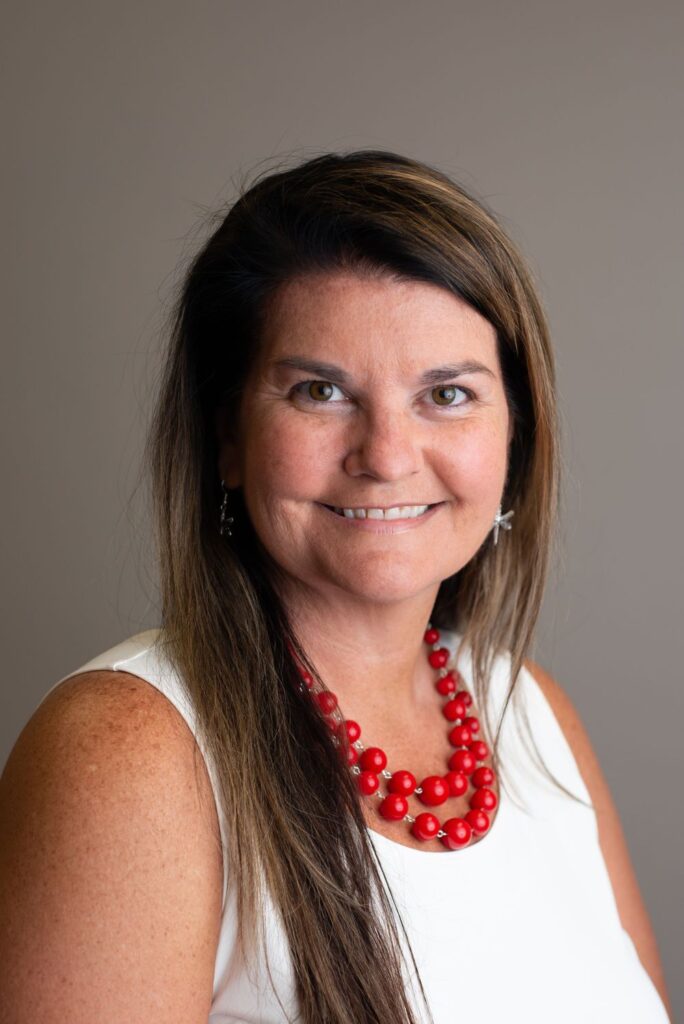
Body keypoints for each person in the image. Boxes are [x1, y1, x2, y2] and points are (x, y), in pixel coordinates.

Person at [0, 150, 672, 1023]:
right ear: (227, 440)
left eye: (448, 394)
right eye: (320, 390)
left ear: (515, 440)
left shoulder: (530, 709)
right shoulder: (130, 755)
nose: (387, 454)